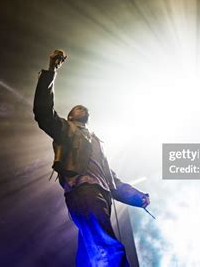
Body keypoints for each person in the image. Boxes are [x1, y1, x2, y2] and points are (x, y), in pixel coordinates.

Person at [33, 49, 150, 267]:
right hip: (84, 192)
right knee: (108, 250)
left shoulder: (97, 143)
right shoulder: (65, 130)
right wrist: (51, 72)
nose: (81, 108)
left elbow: (113, 182)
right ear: (70, 117)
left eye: (84, 108)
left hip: (99, 197)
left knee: (90, 258)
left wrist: (138, 197)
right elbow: (43, 112)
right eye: (76, 108)